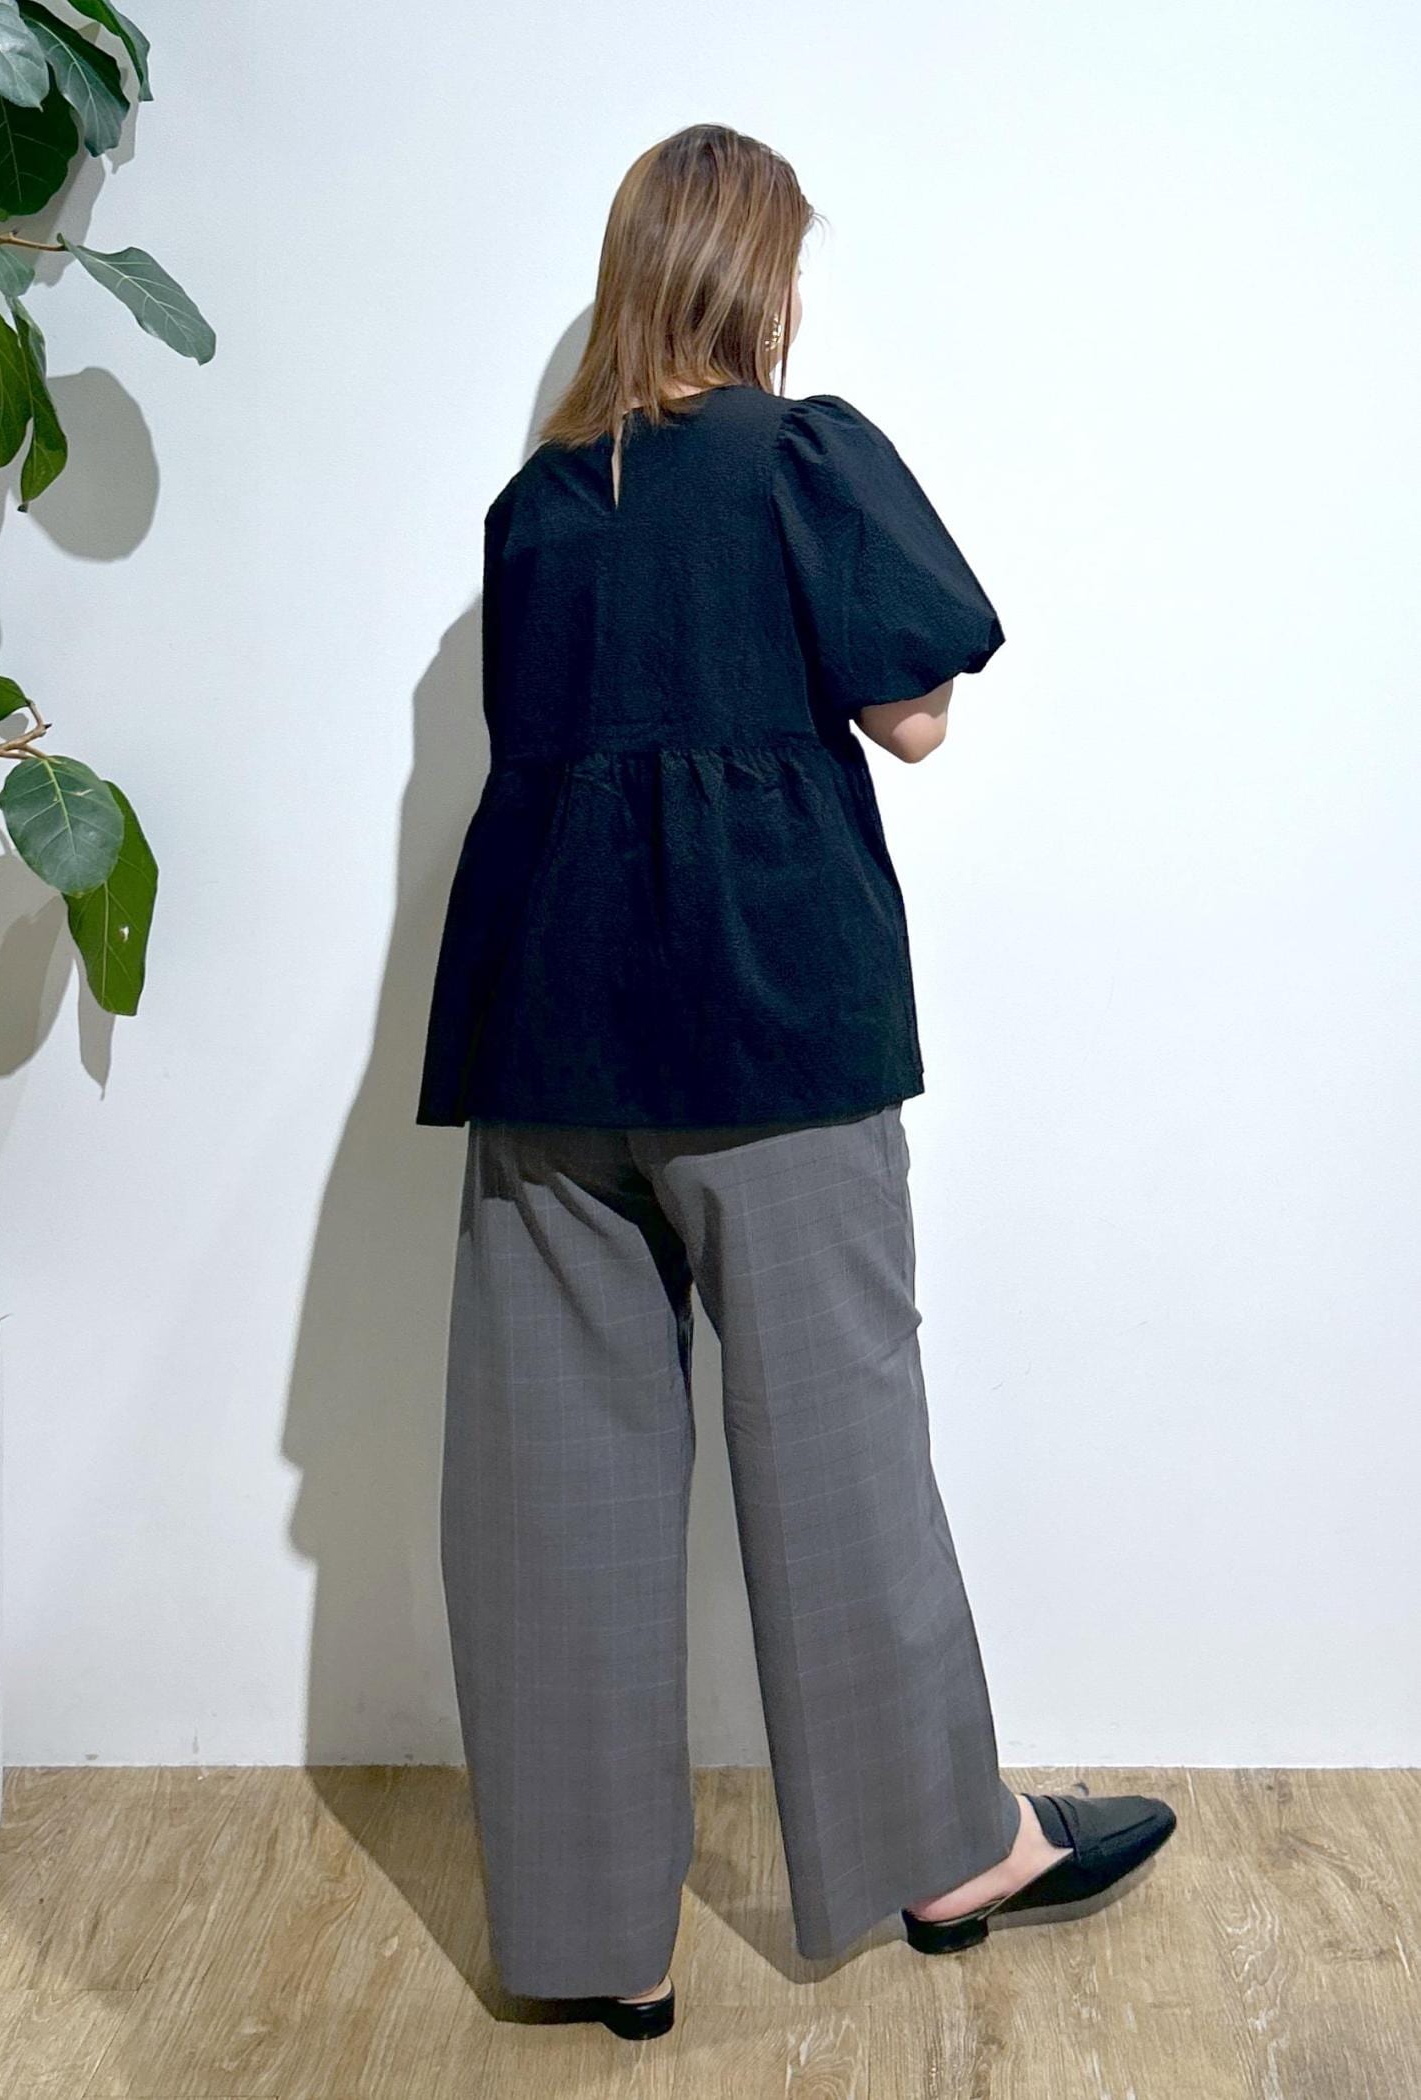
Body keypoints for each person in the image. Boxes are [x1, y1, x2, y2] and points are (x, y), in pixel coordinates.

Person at [415, 122, 1176, 2042]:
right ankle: (945, 1852)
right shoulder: (799, 456)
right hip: (773, 1028)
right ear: (756, 278)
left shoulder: (535, 506)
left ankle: (601, 1947)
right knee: (840, 1452)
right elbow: (914, 716)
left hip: (546, 1036)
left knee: (556, 1488)